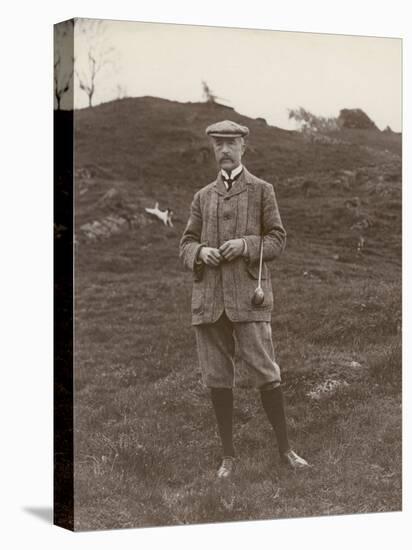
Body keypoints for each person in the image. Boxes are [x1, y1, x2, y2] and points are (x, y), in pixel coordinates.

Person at [179, 120, 309, 478]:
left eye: (230, 143)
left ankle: (286, 449)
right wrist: (200, 252)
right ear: (212, 149)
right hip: (209, 301)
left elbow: (278, 239)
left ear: (243, 148)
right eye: (218, 144)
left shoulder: (263, 191)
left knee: (267, 373)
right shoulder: (202, 197)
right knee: (217, 377)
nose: (223, 150)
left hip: (249, 298)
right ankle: (228, 457)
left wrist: (247, 245)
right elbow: (185, 243)